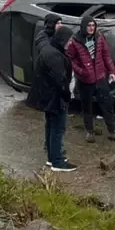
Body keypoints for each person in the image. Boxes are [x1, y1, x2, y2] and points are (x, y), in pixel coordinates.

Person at [65, 16, 115, 143]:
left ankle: (112, 131)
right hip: (84, 80)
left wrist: (112, 71)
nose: (91, 28)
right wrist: (81, 71)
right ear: (84, 26)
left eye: (93, 25)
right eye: (89, 25)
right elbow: (69, 59)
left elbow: (106, 55)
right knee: (87, 107)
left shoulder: (99, 37)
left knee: (107, 105)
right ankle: (90, 132)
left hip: (99, 78)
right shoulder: (75, 41)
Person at [31, 25, 77, 172]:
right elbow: (60, 80)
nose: (70, 43)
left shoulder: (49, 51)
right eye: (69, 40)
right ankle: (57, 162)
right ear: (63, 39)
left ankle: (52, 158)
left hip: (47, 97)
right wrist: (67, 95)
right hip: (55, 98)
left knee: (51, 127)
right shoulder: (55, 56)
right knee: (58, 129)